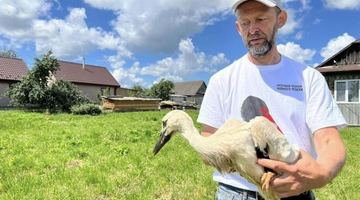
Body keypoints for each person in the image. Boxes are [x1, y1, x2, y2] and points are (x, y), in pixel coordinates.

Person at [197, 0, 347, 199]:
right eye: (245, 23)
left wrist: (322, 173)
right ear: (238, 28)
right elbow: (208, 137)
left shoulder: (309, 77)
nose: (252, 29)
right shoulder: (221, 81)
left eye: (260, 19)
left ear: (281, 19)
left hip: (297, 192)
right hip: (236, 193)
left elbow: (328, 138)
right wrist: (247, 167)